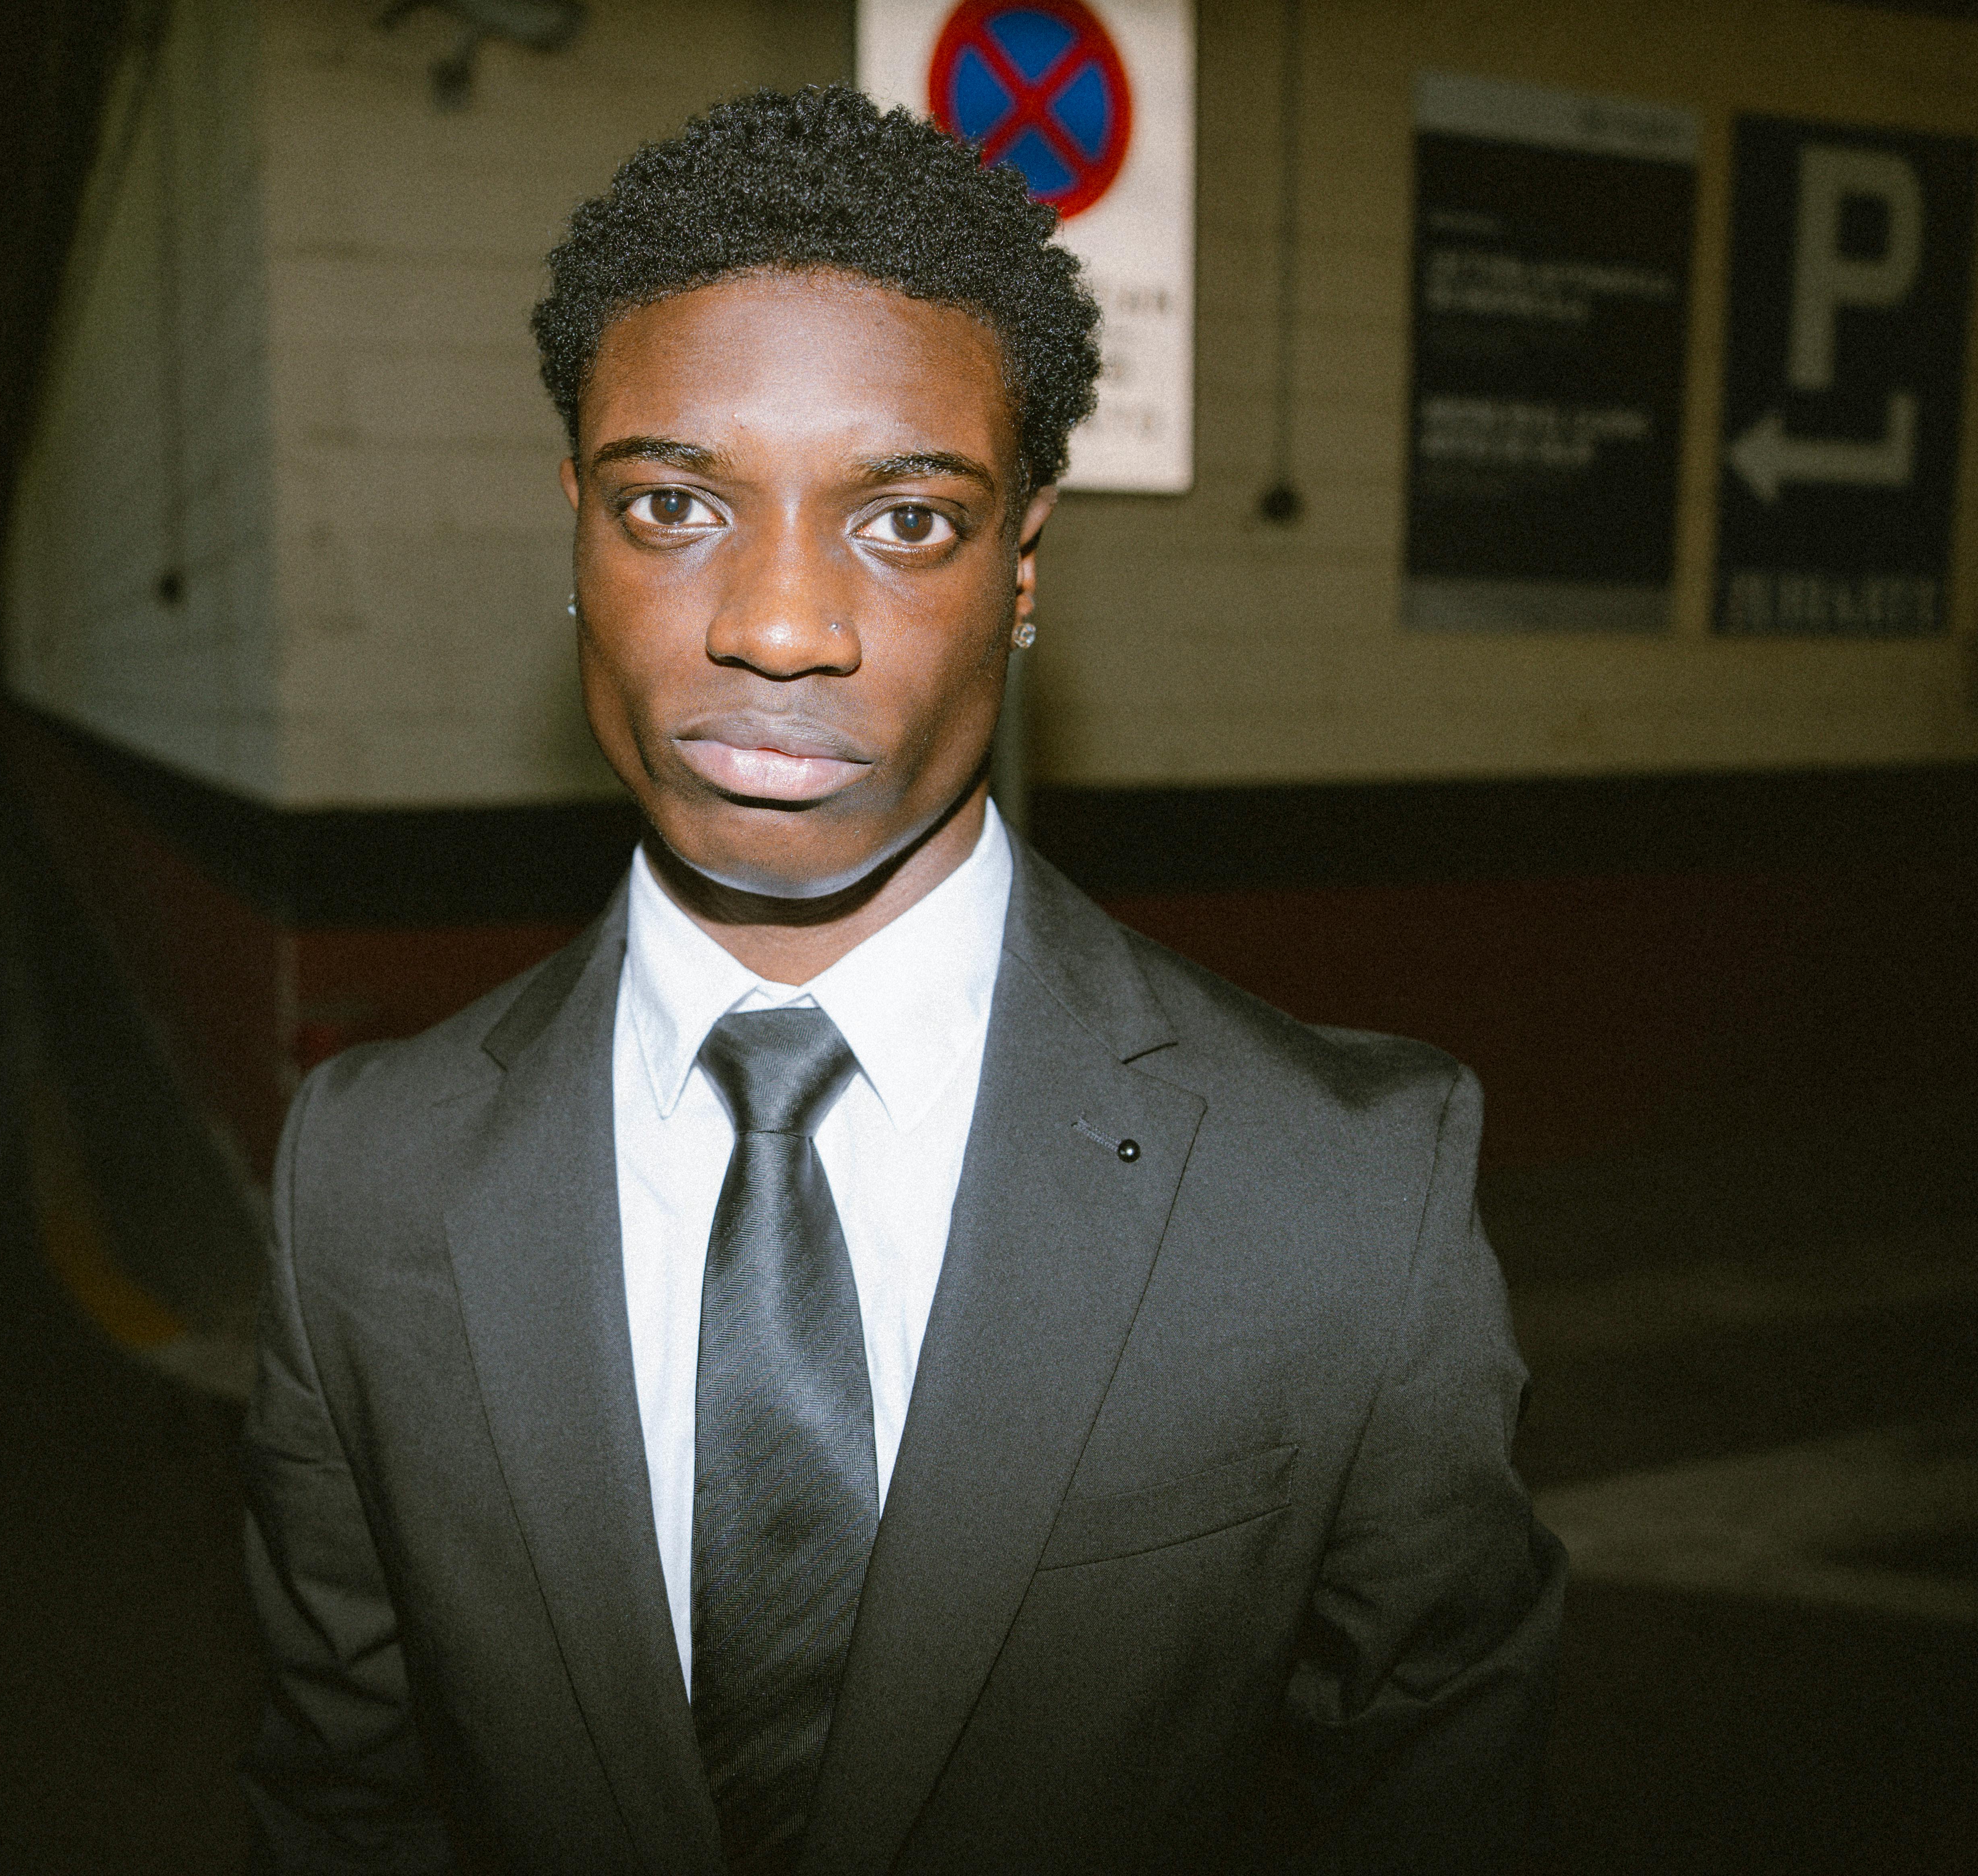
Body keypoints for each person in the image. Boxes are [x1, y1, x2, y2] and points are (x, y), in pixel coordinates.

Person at [240, 85, 1564, 1874]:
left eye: (907, 520)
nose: (780, 624)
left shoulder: (1343, 1186)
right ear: (575, 532)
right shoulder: (363, 1177)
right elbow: (343, 1799)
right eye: (674, 501)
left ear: (1022, 571)